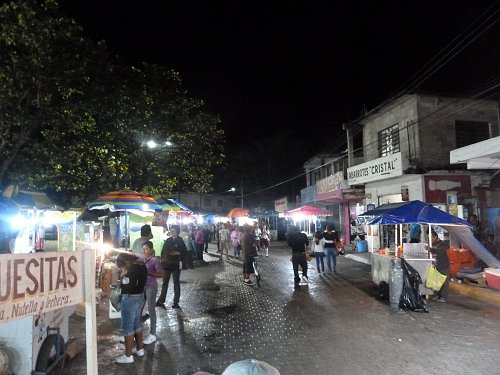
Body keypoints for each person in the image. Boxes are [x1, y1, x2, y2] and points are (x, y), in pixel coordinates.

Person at [114, 252, 148, 364]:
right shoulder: (142, 266)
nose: (122, 268)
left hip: (130, 299)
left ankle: (128, 356)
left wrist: (123, 277)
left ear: (125, 262)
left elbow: (128, 286)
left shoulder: (131, 270)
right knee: (137, 325)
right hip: (140, 297)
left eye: (122, 266)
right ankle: (140, 349)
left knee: (128, 328)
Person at [156, 226, 187, 309]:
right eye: (171, 231)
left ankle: (176, 302)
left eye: (173, 231)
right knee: (165, 283)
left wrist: (178, 253)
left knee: (176, 283)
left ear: (177, 232)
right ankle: (161, 300)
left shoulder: (180, 240)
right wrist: (162, 261)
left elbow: (184, 252)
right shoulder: (168, 240)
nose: (171, 233)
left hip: (175, 265)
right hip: (167, 265)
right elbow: (163, 251)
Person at [141, 241, 163, 345]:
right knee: (139, 308)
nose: (144, 251)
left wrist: (149, 272)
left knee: (151, 309)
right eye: (143, 249)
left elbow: (161, 274)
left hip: (151, 286)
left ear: (151, 249)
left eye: (146, 249)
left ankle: (153, 334)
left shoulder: (155, 260)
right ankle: (137, 332)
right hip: (141, 286)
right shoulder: (141, 259)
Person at [428, 230, 451, 302]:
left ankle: (443, 297)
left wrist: (431, 249)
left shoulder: (443, 244)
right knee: (437, 281)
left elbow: (440, 251)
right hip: (436, 265)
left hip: (443, 264)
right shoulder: (433, 244)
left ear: (435, 237)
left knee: (444, 281)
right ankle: (437, 295)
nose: (430, 240)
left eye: (431, 238)